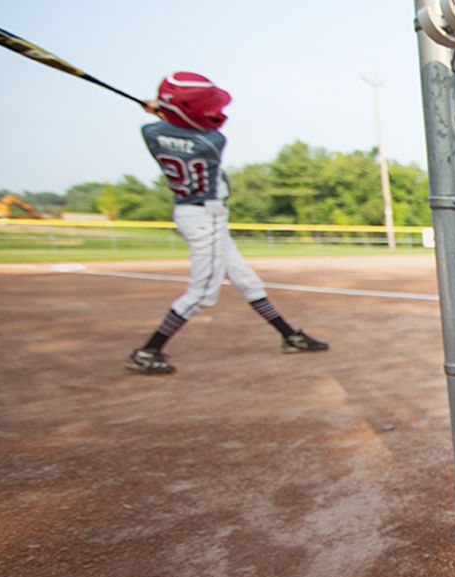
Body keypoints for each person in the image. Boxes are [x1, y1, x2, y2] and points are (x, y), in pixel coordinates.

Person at [127, 72, 328, 375]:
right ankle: (148, 350)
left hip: (194, 213)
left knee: (246, 280)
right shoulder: (212, 141)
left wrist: (162, 112)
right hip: (204, 217)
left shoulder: (152, 134)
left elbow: (162, 128)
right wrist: (165, 110)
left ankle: (290, 336)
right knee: (203, 292)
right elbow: (198, 128)